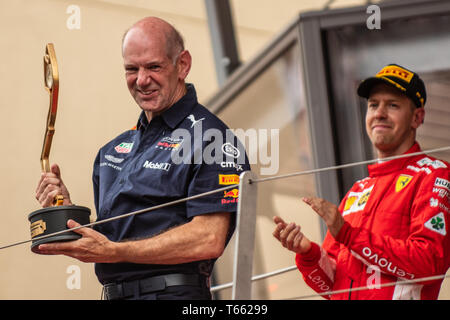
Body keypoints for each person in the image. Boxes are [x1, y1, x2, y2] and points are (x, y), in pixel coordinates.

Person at [35, 16, 250, 300]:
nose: (142, 79)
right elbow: (112, 238)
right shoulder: (112, 150)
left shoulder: (212, 138)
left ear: (182, 64)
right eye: (131, 69)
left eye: (153, 67)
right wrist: (66, 211)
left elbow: (208, 239)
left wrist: (115, 252)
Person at [273, 64, 449, 300]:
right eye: (373, 105)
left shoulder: (434, 175)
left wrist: (348, 234)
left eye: (393, 105)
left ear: (417, 117)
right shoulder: (359, 189)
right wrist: (308, 254)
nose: (379, 113)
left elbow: (429, 263)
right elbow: (332, 286)